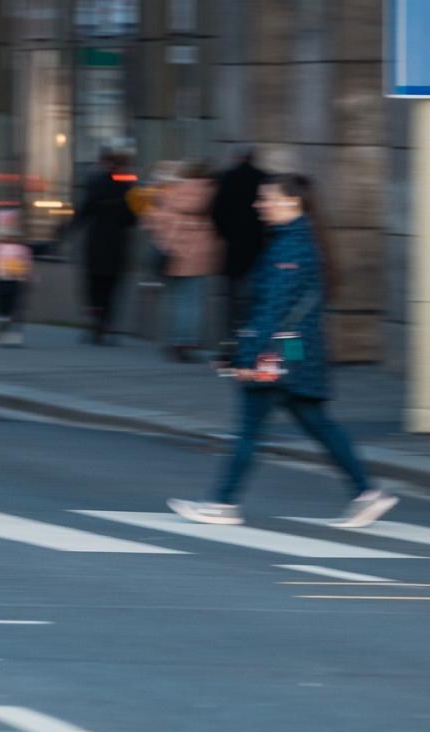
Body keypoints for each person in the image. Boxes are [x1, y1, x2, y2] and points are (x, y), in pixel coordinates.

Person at [168, 174, 398, 529]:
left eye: (267, 199)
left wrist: (248, 358)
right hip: (292, 350)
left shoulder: (291, 249)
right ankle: (366, 493)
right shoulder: (296, 242)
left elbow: (274, 311)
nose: (260, 205)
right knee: (315, 421)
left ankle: (222, 502)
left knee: (250, 427)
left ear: (292, 202)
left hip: (277, 351)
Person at [146, 161, 222, 362]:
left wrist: (163, 241)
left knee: (175, 299)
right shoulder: (212, 193)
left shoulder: (173, 191)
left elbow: (156, 220)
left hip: (173, 253)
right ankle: (188, 341)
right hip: (199, 255)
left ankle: (174, 341)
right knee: (194, 301)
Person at [72, 150, 138, 344]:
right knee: (112, 287)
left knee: (94, 286)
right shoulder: (127, 188)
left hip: (95, 242)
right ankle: (105, 324)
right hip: (117, 244)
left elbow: (84, 212)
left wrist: (66, 231)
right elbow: (132, 219)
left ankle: (95, 321)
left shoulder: (95, 183)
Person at [211, 147, 267, 358]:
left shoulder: (227, 178)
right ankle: (250, 346)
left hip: (234, 248)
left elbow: (216, 212)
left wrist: (225, 234)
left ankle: (229, 346)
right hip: (258, 248)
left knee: (232, 303)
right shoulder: (263, 178)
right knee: (254, 301)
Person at [0, 209, 33, 347]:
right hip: (4, 279)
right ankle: (5, 332)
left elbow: (26, 263)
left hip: (11, 280)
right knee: (7, 308)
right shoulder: (2, 248)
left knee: (11, 308)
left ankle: (8, 334)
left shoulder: (18, 248)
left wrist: (26, 275)